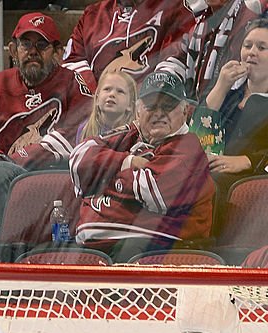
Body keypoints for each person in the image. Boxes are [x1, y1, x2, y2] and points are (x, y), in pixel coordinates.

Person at [70, 71, 215, 261]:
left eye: (168, 106)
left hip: (155, 248)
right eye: (151, 105)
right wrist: (126, 162)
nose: (159, 113)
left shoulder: (188, 146)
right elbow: (78, 157)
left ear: (185, 110)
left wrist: (100, 182)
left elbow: (154, 193)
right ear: (138, 111)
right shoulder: (132, 134)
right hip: (99, 244)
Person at [0, 13, 95, 172]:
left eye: (42, 45)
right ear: (14, 50)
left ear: (57, 52)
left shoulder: (71, 82)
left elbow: (83, 129)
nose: (33, 51)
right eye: (26, 44)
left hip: (48, 175)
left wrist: (24, 157)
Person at [201, 18, 268, 196]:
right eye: (247, 46)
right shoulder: (229, 91)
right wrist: (221, 87)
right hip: (213, 169)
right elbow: (198, 132)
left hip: (252, 178)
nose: (251, 53)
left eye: (262, 48)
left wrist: (248, 161)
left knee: (208, 184)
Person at [61, 0, 197, 85]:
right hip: (94, 110)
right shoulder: (92, 14)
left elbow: (174, 62)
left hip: (146, 110)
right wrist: (95, 97)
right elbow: (72, 62)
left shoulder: (173, 8)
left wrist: (147, 98)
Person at [77, 68, 138, 143]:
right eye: (107, 89)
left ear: (130, 105)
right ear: (97, 99)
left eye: (120, 91)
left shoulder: (134, 135)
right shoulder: (85, 129)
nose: (112, 94)